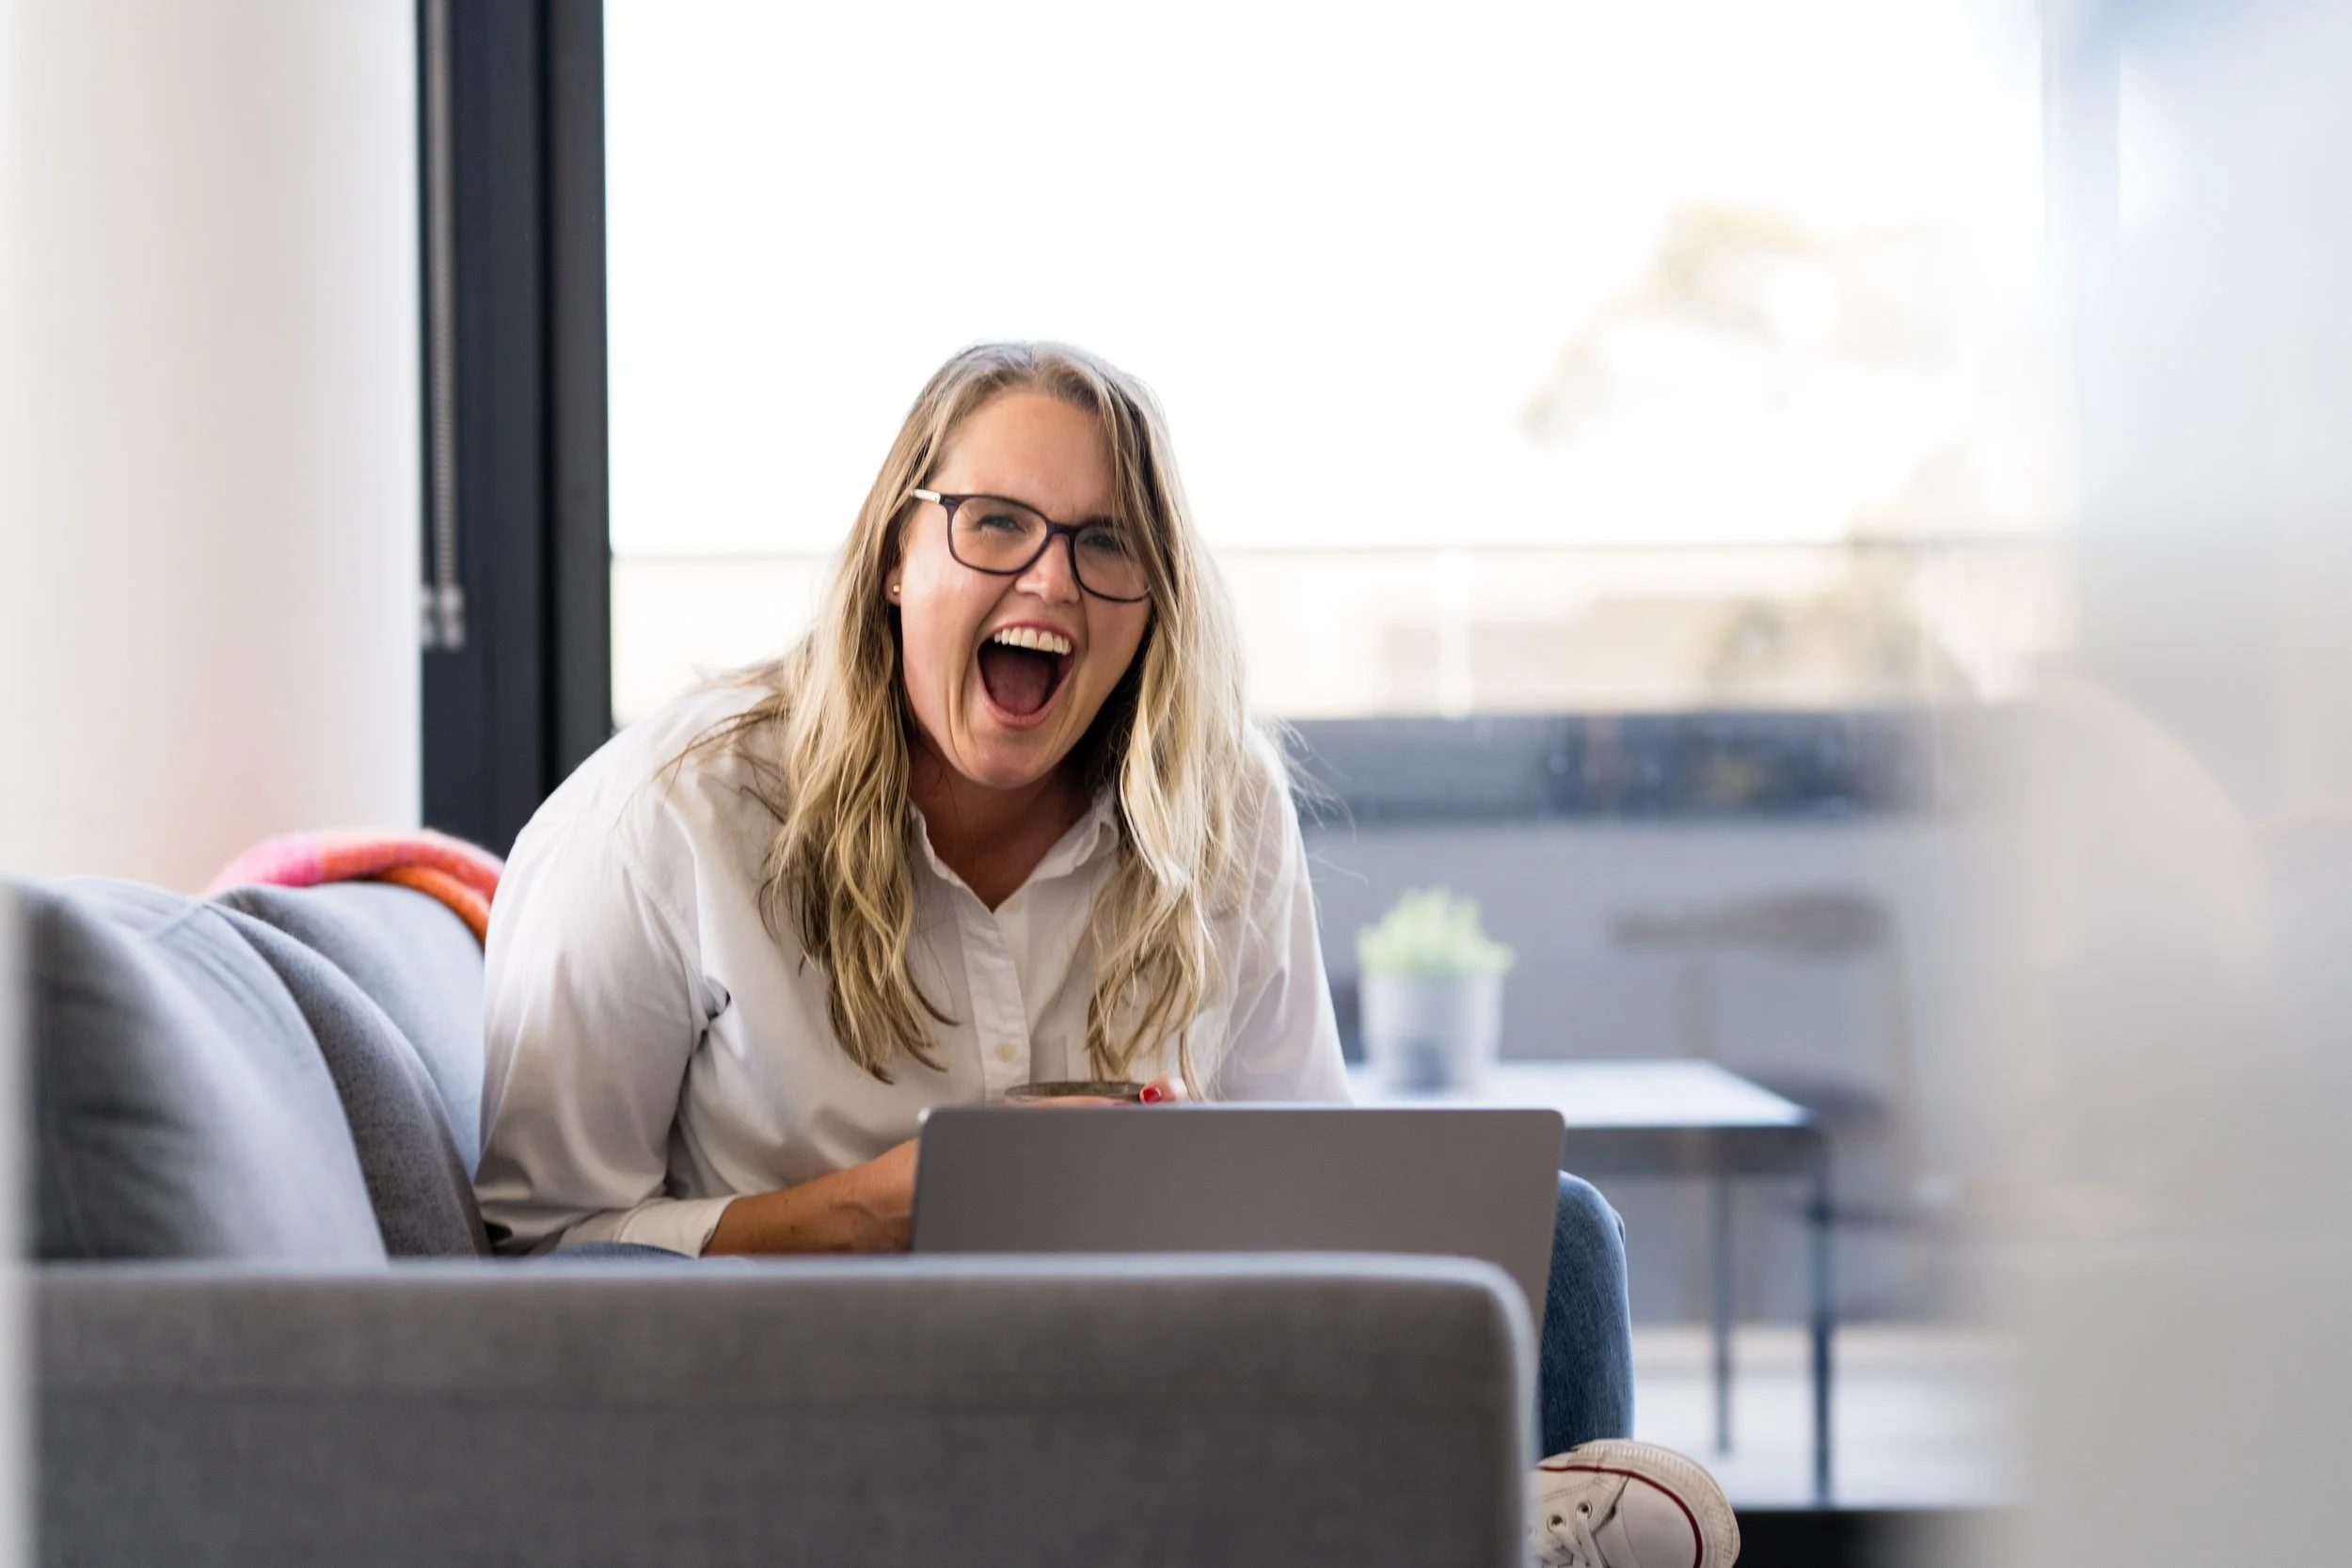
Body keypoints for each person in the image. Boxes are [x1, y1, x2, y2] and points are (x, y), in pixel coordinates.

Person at [474, 341, 1739, 1567]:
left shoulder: (1220, 799)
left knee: (1557, 1233)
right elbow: (548, 1259)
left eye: (1106, 542)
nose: (1051, 581)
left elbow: (1323, 1181)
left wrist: (1208, 1178)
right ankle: (1436, 1529)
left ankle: (1487, 1529)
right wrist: (879, 1210)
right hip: (827, 1396)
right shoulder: (668, 813)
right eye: (995, 523)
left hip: (1157, 1379)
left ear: (1152, 602)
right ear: (897, 557)